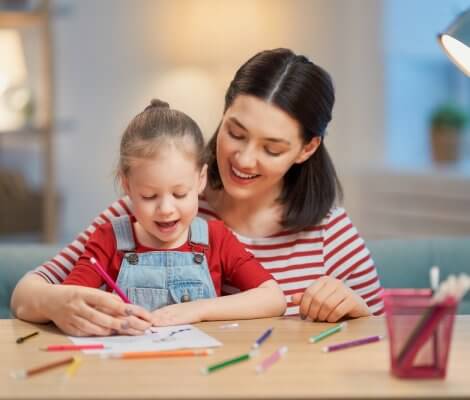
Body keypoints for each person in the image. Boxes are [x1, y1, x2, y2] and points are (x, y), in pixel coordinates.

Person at [11, 48, 384, 337]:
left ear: (306, 149)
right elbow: (27, 294)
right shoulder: (145, 211)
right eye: (235, 133)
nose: (244, 159)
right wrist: (60, 303)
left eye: (271, 148)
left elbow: (380, 339)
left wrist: (356, 309)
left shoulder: (329, 233)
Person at [63, 99, 286, 333]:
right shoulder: (109, 240)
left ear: (201, 180)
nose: (166, 209)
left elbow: (273, 298)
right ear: (127, 185)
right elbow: (68, 301)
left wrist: (199, 310)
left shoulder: (215, 239)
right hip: (127, 366)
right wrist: (107, 315)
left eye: (179, 194)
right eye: (149, 196)